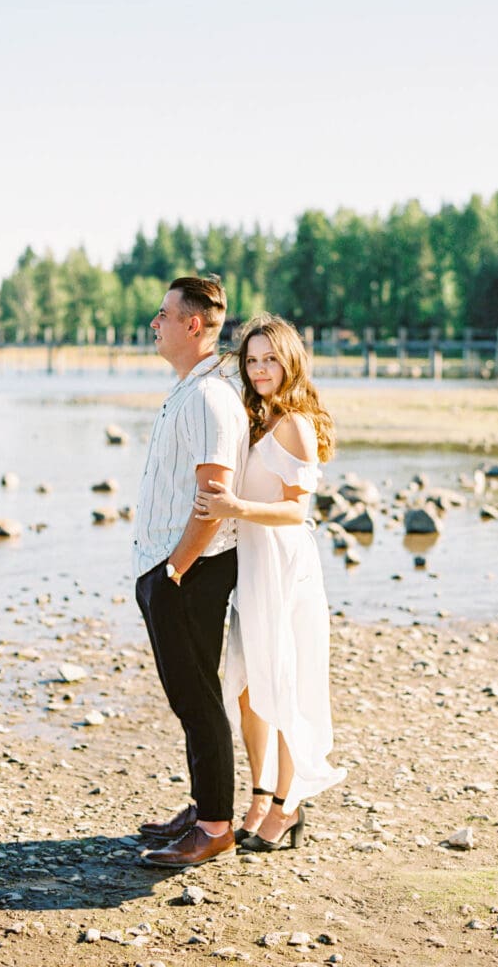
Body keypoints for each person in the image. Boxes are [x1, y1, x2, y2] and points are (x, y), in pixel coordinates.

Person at [194, 313, 346, 852]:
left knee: (282, 685)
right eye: (252, 359)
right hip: (252, 567)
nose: (260, 369)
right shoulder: (256, 417)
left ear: (289, 362)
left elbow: (296, 513)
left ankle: (288, 805)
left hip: (284, 565)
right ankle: (259, 794)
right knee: (248, 688)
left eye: (269, 359)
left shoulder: (295, 425)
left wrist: (235, 506)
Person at [133, 274, 249, 868]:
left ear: (193, 325)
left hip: (191, 572)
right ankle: (204, 806)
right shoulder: (192, 388)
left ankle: (214, 827)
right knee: (189, 697)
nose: (155, 323)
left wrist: (172, 571)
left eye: (164, 314)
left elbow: (213, 496)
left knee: (199, 698)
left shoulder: (208, 397)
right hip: (175, 570)